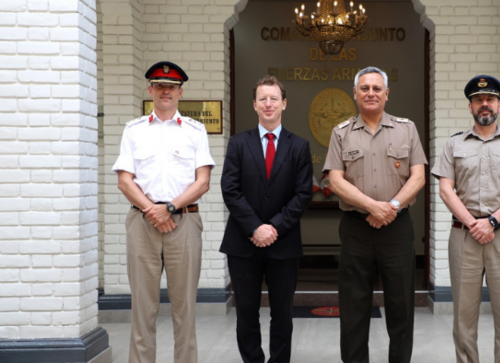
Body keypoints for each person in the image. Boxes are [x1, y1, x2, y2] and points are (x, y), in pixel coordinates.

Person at [431, 75, 500, 363]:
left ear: (499, 106)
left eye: (490, 99)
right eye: (478, 100)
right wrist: (473, 224)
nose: (484, 104)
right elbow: (445, 190)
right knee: (463, 319)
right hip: (464, 236)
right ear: (470, 107)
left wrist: (491, 222)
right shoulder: (453, 144)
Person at [112, 61, 214, 363]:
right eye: (159, 86)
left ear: (180, 92)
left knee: (185, 309)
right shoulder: (134, 130)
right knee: (143, 308)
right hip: (142, 223)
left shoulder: (195, 131)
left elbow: (203, 181)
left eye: (171, 86)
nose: (165, 91)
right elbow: (124, 180)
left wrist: (169, 208)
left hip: (184, 223)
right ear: (150, 90)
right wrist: (152, 210)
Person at [323, 66, 427, 363]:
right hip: (356, 229)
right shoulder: (341, 132)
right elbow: (335, 179)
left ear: (387, 94)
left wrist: (391, 207)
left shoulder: (406, 129)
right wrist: (373, 207)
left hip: (397, 228)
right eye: (364, 88)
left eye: (376, 88)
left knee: (401, 308)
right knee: (354, 309)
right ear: (355, 94)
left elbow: (418, 176)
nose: (371, 93)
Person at [220, 75, 313, 363]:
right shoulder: (238, 143)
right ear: (255, 105)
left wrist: (273, 227)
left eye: (274, 98)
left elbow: (303, 194)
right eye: (263, 99)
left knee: (282, 313)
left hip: (283, 244)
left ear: (284, 104)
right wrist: (255, 227)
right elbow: (230, 189)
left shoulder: (299, 146)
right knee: (246, 312)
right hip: (242, 243)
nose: (268, 104)